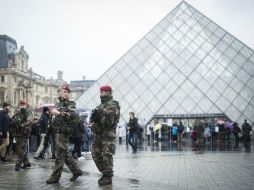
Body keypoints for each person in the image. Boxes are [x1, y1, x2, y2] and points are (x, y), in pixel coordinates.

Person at [46, 84, 83, 184]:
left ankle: (55, 176)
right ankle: (76, 171)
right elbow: (57, 118)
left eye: (67, 92)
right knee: (64, 153)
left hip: (64, 132)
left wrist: (59, 113)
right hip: (57, 131)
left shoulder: (70, 103)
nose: (66, 93)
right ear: (60, 92)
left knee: (60, 155)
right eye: (64, 91)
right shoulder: (58, 104)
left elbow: (72, 115)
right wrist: (52, 114)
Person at [90, 85, 120, 186]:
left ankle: (107, 176)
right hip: (98, 134)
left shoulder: (113, 104)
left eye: (102, 92)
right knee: (95, 154)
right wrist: (93, 121)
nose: (100, 94)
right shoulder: (101, 105)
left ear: (108, 92)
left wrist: (100, 114)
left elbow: (108, 122)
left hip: (108, 135)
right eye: (100, 92)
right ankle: (105, 173)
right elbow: (96, 119)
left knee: (107, 156)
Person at [11, 100, 33, 171]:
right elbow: (13, 120)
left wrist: (22, 125)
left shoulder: (28, 112)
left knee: (21, 149)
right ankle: (26, 162)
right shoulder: (16, 112)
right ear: (19, 105)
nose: (22, 106)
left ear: (25, 105)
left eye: (23, 105)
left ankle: (18, 164)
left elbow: (30, 121)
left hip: (24, 133)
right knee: (22, 148)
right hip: (17, 133)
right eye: (21, 105)